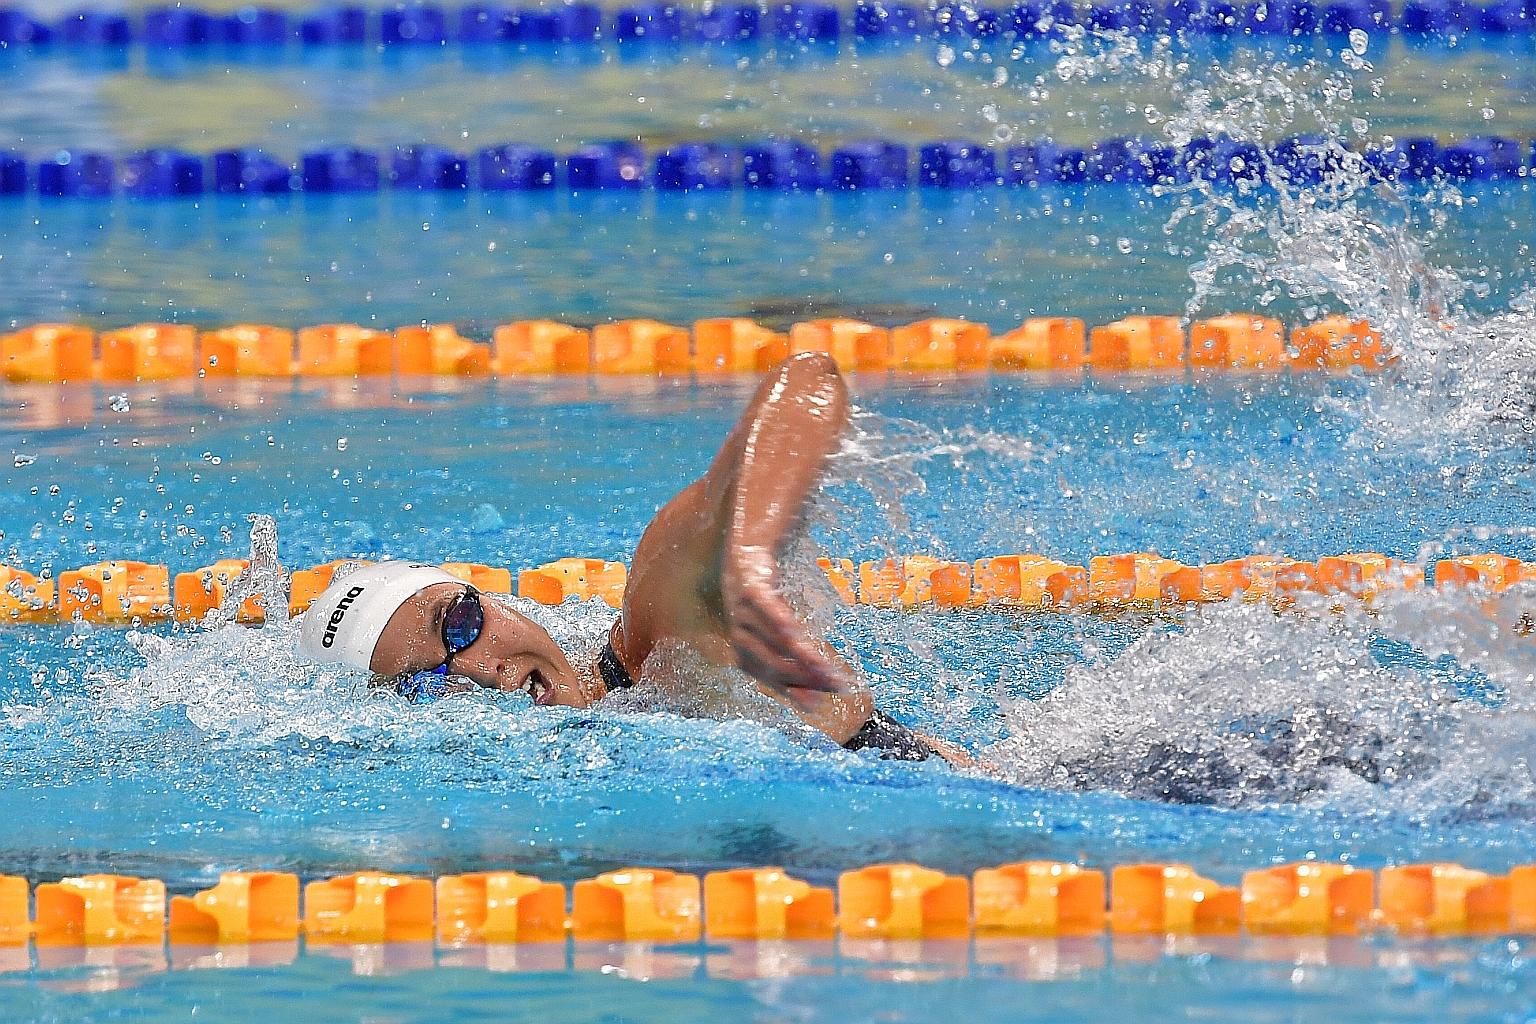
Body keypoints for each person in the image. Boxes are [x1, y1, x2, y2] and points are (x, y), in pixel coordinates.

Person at [298, 353, 964, 765]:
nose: (479, 670)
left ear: (489, 598)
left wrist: (748, 561)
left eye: (459, 624)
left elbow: (807, 383)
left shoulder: (661, 628)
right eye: (425, 683)